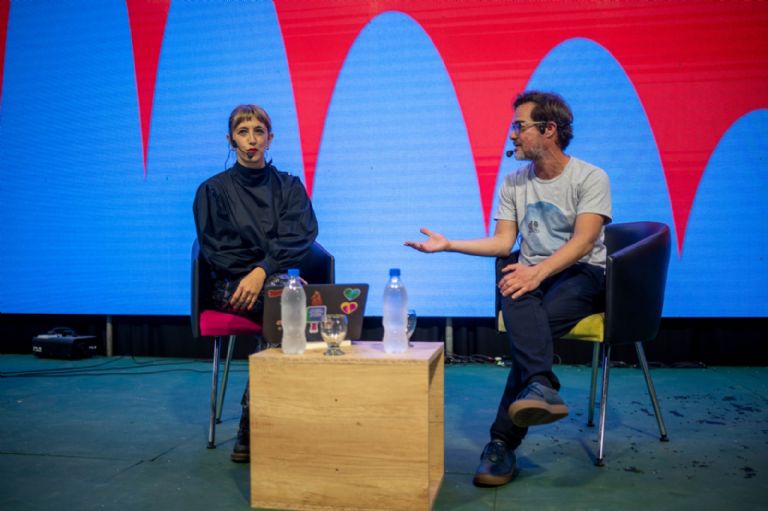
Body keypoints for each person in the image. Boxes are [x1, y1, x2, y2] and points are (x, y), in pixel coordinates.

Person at [405, 91, 611, 486]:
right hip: (531, 272)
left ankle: (501, 441)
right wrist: (449, 245)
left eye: (520, 126)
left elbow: (584, 241)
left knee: (532, 327)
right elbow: (503, 243)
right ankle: (541, 385)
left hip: (582, 274)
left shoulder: (590, 177)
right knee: (514, 288)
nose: (512, 134)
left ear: (549, 130)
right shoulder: (514, 182)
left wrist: (538, 273)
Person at [193, 104, 318, 462]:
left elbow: (300, 235)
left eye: (258, 132)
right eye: (243, 131)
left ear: (270, 139)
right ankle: (254, 422)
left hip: (273, 281)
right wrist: (259, 272)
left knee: (283, 299)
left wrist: (263, 270)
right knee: (286, 302)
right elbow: (218, 249)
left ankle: (268, 418)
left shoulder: (289, 187)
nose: (252, 139)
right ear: (231, 139)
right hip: (230, 286)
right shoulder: (213, 190)